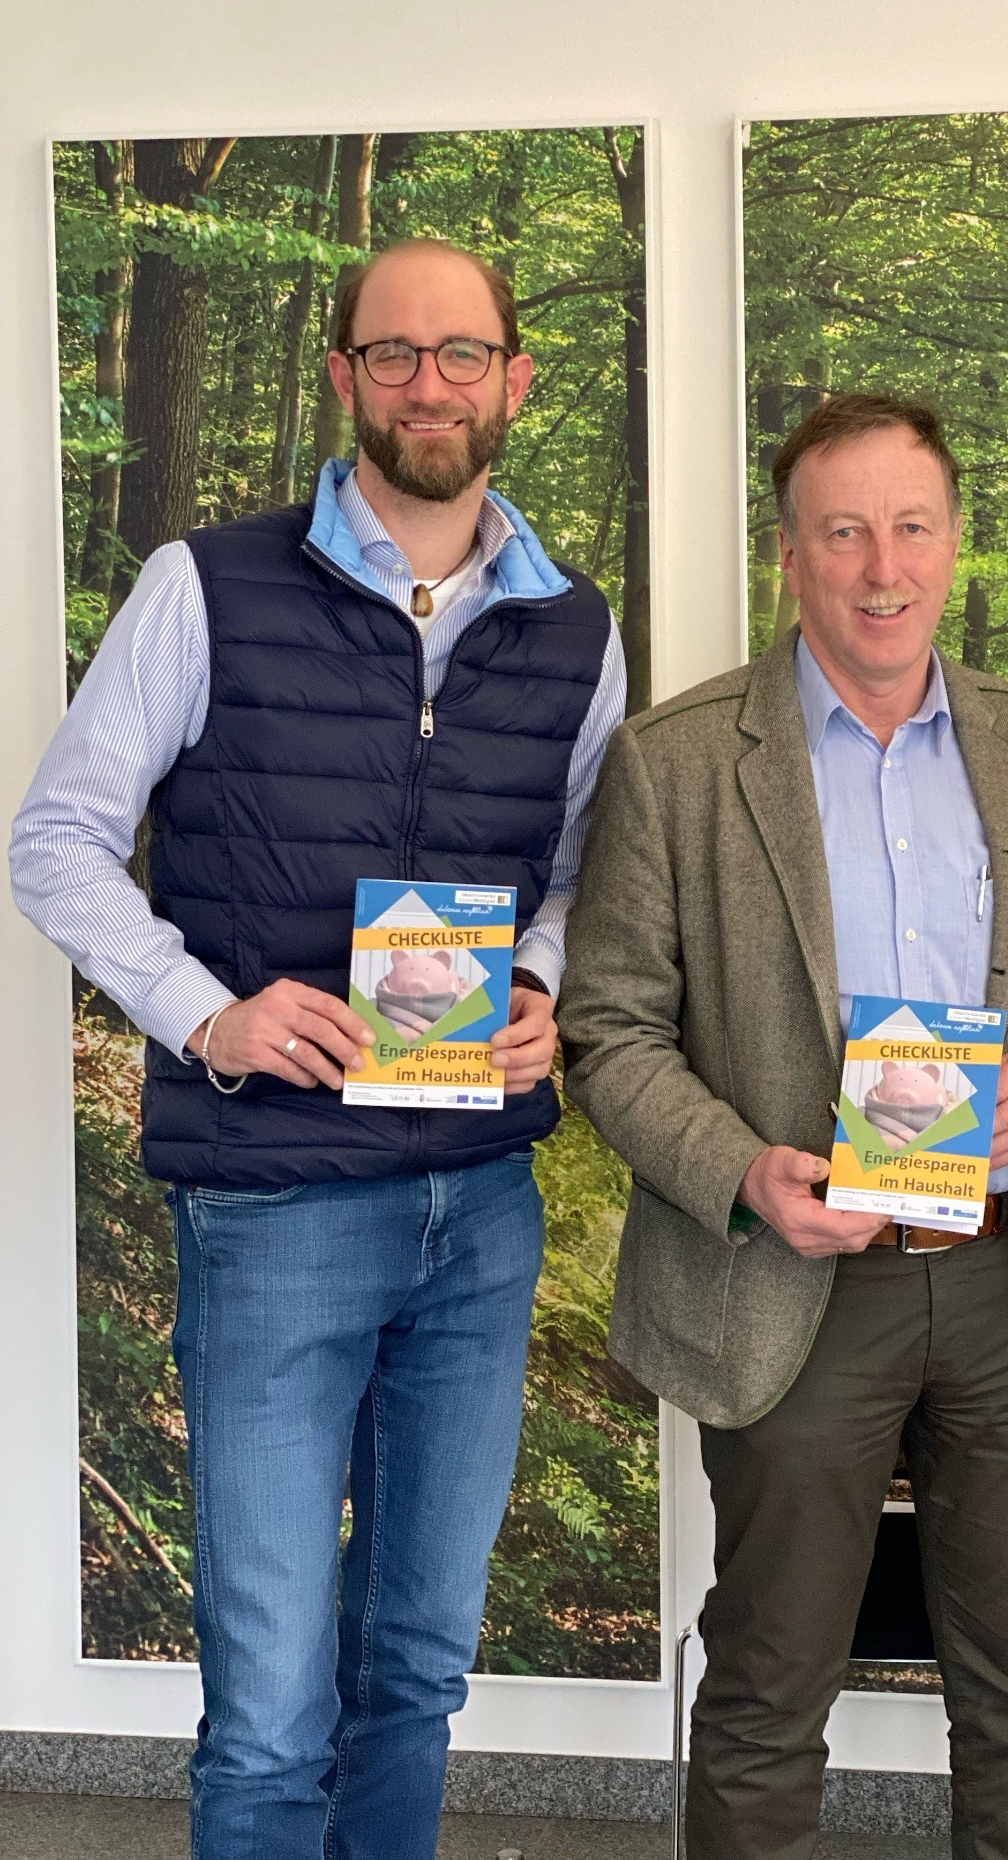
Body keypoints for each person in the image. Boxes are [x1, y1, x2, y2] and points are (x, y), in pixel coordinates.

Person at [10, 238, 626, 1860]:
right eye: (395, 353)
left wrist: (542, 980)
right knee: (273, 1712)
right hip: (274, 1205)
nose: (431, 383)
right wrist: (206, 1011)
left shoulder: (578, 630)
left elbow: (583, 873)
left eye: (463, 352)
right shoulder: (204, 587)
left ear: (515, 379)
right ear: (345, 375)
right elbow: (56, 841)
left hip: (479, 1212)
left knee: (414, 1674)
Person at [558, 392, 1008, 1860]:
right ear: (789, 553)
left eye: (913, 527)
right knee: (768, 1689)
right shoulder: (679, 761)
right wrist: (743, 1174)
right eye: (845, 532)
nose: (885, 566)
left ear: (953, 541)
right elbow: (608, 1031)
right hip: (792, 1281)